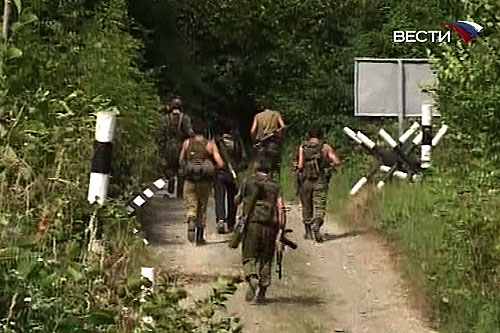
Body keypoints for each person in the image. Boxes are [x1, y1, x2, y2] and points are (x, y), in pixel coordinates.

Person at [235, 161, 286, 304]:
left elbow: (237, 201)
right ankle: (263, 291)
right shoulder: (275, 185)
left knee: (249, 255)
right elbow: (281, 207)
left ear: (255, 169)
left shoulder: (248, 182)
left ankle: (252, 277)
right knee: (266, 258)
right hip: (270, 226)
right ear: (269, 171)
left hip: (252, 224)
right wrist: (281, 229)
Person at [179, 119, 224, 245]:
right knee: (202, 207)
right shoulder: (209, 144)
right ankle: (199, 237)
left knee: (191, 205)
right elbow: (220, 162)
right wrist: (213, 169)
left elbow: (181, 160)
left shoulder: (187, 143)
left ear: (192, 130)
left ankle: (191, 218)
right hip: (204, 182)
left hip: (190, 181)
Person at [297, 124, 340, 242]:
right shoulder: (325, 147)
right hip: (320, 179)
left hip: (306, 180)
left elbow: (300, 165)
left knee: (306, 205)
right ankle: (317, 223)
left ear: (309, 134)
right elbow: (336, 161)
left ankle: (308, 232)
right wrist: (328, 165)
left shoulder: (303, 147)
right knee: (320, 205)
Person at [214, 123, 246, 234]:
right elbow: (244, 158)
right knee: (233, 198)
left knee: (219, 197)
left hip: (220, 172)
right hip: (234, 174)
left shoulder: (217, 142)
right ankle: (231, 222)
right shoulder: (237, 142)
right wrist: (237, 168)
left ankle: (220, 220)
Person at [161, 96, 194, 198]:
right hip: (181, 145)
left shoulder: (165, 119)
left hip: (169, 146)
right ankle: (179, 193)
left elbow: (161, 133)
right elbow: (189, 132)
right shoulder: (185, 118)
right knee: (181, 169)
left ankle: (170, 187)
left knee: (170, 168)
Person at [250, 102, 285, 175]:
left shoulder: (258, 116)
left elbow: (252, 131)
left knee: (259, 163)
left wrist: (254, 141)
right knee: (273, 163)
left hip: (261, 142)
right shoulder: (276, 114)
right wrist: (278, 133)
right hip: (273, 141)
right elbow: (283, 127)